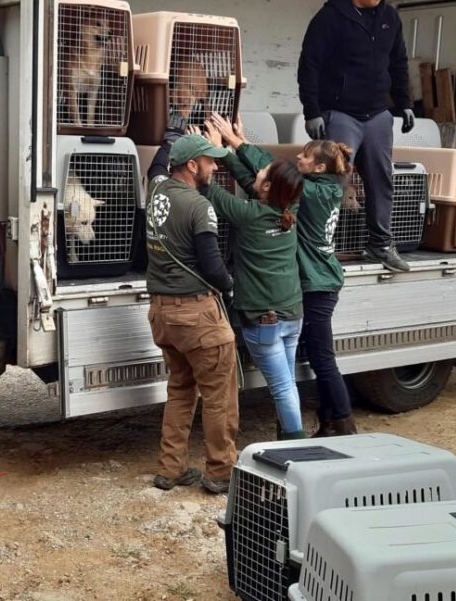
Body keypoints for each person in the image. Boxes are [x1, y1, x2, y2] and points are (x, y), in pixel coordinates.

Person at [209, 114, 359, 436]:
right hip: (315, 283)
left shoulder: (312, 193)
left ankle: (343, 423)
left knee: (322, 359)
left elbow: (272, 171)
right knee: (297, 370)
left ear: (319, 168)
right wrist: (231, 153)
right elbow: (262, 180)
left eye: (305, 157)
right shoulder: (317, 190)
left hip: (317, 285)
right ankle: (319, 422)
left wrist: (236, 144)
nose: (298, 158)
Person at [298, 0, 413, 273]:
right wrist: (313, 111)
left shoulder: (390, 18)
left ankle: (380, 245)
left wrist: (403, 104)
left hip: (378, 113)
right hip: (341, 112)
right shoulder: (330, 17)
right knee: (334, 182)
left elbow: (399, 63)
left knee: (382, 178)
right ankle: (321, 247)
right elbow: (310, 65)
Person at [192, 125, 307, 439]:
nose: (257, 172)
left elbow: (210, 189)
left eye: (263, 172)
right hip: (292, 313)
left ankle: (296, 445)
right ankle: (288, 437)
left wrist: (213, 151)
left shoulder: (249, 214)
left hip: (264, 316)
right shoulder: (290, 209)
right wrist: (229, 151)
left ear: (268, 187)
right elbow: (251, 182)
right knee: (287, 383)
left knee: (282, 387)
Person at [144, 134, 238, 495]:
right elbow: (213, 267)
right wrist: (230, 284)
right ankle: (220, 472)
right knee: (219, 396)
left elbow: (155, 166)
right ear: (192, 165)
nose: (216, 166)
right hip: (197, 316)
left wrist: (169, 137)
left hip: (162, 313)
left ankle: (170, 469)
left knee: (181, 389)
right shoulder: (200, 207)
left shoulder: (156, 190)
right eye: (211, 161)